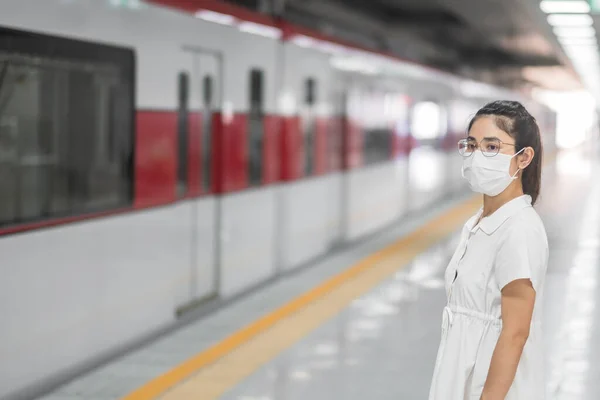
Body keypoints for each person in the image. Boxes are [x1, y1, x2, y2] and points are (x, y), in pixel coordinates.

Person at [428, 100, 549, 400]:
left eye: (492, 147)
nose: (476, 156)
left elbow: (515, 333)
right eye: (471, 145)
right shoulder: (479, 223)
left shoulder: (519, 229)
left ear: (523, 158)